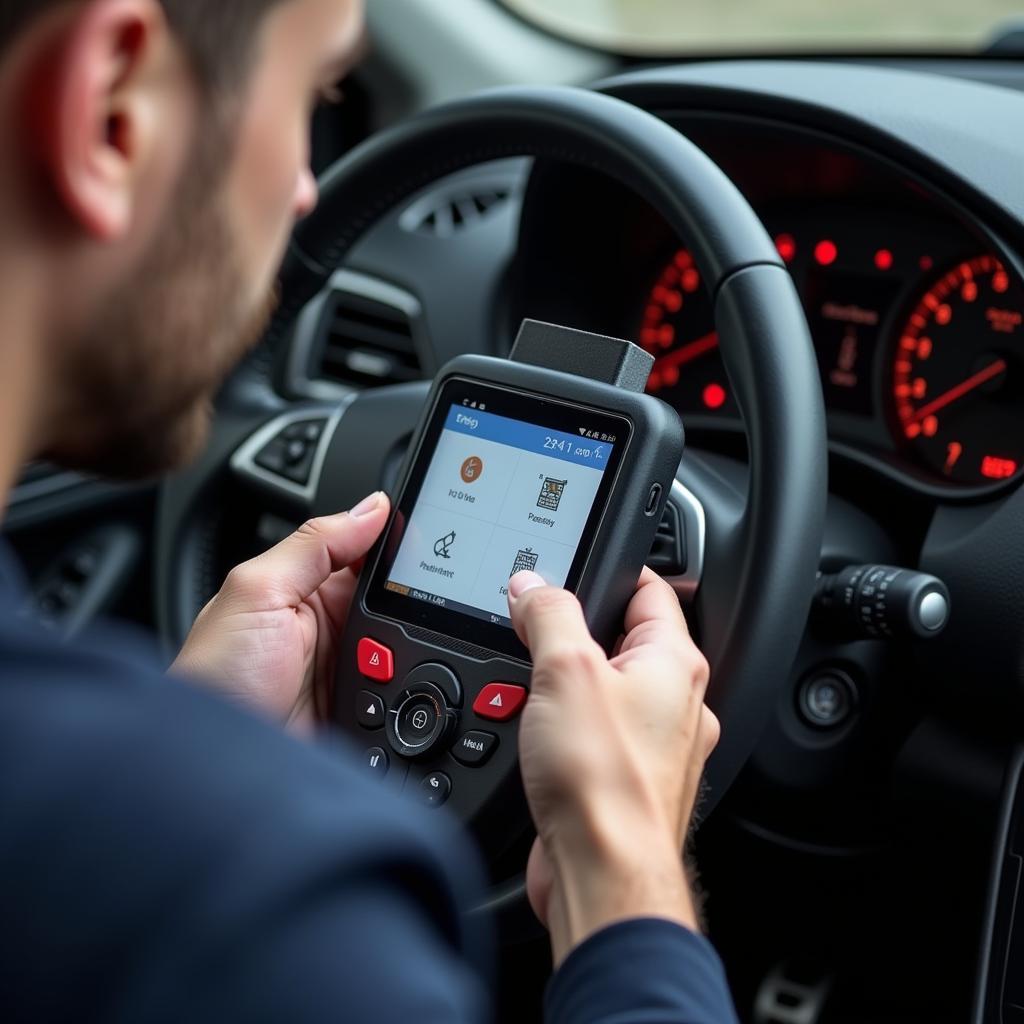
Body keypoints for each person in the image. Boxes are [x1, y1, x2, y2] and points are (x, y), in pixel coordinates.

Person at [0, 1, 737, 1021]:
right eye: (317, 96)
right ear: (112, 111)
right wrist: (624, 870)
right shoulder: (269, 916)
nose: (309, 190)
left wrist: (200, 743)